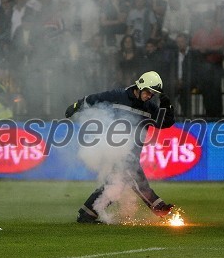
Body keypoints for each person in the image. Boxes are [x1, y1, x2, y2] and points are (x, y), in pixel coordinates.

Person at [65, 71, 176, 224]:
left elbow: (165, 123)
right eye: (148, 92)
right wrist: (77, 105)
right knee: (134, 178)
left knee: (115, 183)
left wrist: (166, 105)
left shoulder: (149, 107)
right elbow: (96, 99)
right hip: (115, 150)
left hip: (132, 154)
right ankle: (159, 207)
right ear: (141, 86)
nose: (149, 96)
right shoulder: (118, 96)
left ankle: (87, 214)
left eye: (153, 94)